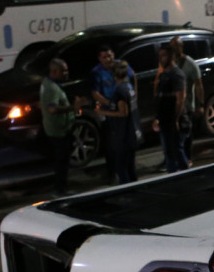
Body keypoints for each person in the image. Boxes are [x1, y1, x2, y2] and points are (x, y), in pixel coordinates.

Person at [40, 58, 83, 196]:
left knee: (61, 161)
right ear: (54, 71)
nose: (66, 73)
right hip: (59, 131)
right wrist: (73, 107)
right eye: (63, 70)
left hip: (56, 130)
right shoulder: (52, 88)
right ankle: (60, 191)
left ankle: (61, 189)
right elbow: (52, 109)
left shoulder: (48, 84)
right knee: (62, 162)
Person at [90, 45, 133, 182]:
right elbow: (95, 93)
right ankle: (113, 172)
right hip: (109, 112)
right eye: (104, 57)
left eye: (109, 55)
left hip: (123, 109)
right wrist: (110, 104)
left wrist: (133, 96)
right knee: (110, 144)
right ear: (99, 59)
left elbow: (133, 76)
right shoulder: (97, 72)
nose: (108, 59)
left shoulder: (120, 66)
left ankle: (127, 171)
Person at [97, 61, 140, 184]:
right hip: (132, 132)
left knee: (122, 168)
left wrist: (103, 112)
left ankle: (128, 193)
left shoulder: (120, 91)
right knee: (131, 166)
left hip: (124, 135)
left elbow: (123, 112)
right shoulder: (129, 87)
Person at [154, 43, 190, 173]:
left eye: (164, 55)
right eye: (160, 56)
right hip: (165, 120)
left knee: (177, 152)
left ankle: (188, 178)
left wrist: (175, 120)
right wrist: (157, 118)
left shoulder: (177, 74)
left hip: (174, 121)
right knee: (169, 153)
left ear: (172, 56)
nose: (161, 59)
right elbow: (161, 98)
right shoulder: (164, 74)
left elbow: (180, 100)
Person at [169, 36, 204, 165]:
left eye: (175, 46)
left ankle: (187, 159)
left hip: (187, 106)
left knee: (186, 135)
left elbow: (199, 85)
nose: (173, 49)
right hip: (173, 105)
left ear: (181, 47)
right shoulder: (170, 62)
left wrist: (200, 105)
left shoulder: (190, 64)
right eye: (171, 46)